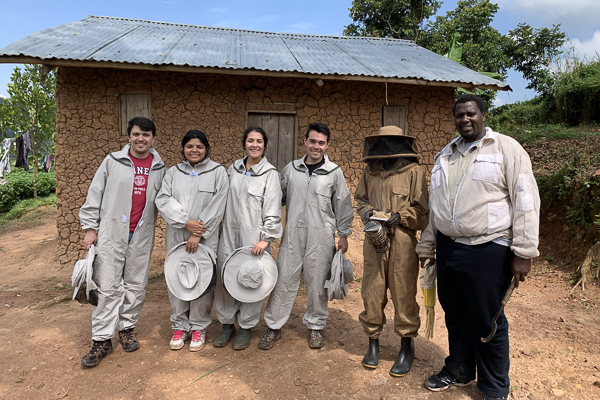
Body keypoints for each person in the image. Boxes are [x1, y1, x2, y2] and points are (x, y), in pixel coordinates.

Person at [416, 94, 540, 400]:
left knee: (487, 319)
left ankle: (494, 388)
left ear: (483, 115)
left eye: (471, 113)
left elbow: (525, 200)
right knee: (455, 314)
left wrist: (524, 251)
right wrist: (428, 245)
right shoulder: (445, 154)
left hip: (489, 247)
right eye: (459, 115)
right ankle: (459, 370)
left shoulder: (506, 149)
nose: (465, 120)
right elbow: (437, 206)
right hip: (448, 247)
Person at [79, 117, 166, 368]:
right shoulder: (113, 162)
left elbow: (168, 199)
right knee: (107, 285)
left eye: (146, 135)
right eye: (137, 134)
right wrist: (90, 228)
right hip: (112, 232)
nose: (141, 139)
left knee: (136, 283)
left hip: (141, 234)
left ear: (153, 138)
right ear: (129, 136)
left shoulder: (160, 168)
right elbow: (95, 193)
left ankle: (126, 328)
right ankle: (101, 339)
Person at [259, 122, 354, 350]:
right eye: (312, 141)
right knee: (283, 280)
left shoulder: (334, 173)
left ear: (327, 145)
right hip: (292, 236)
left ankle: (315, 327)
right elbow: (276, 198)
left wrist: (343, 234)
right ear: (305, 142)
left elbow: (343, 204)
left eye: (321, 143)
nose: (316, 146)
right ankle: (274, 326)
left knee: (317, 284)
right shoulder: (291, 169)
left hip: (321, 237)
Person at [355, 126, 429, 377]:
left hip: (403, 243)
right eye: (383, 142)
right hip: (373, 239)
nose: (387, 147)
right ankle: (373, 343)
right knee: (372, 291)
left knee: (404, 292)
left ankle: (407, 346)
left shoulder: (414, 172)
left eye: (391, 142)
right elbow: (361, 201)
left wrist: (401, 216)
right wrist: (367, 213)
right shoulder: (370, 171)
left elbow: (423, 213)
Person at [155, 130, 228, 352]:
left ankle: (198, 326)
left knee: (202, 280)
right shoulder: (172, 173)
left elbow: (218, 204)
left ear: (206, 149)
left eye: (199, 146)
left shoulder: (218, 172)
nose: (194, 150)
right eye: (189, 146)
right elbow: (163, 199)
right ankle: (180, 325)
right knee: (177, 277)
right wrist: (185, 222)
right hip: (177, 234)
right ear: (183, 149)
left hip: (206, 237)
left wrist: (198, 232)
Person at [213, 126, 283, 350]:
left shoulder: (270, 174)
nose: (255, 145)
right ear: (244, 143)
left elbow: (273, 207)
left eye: (259, 141)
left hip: (254, 237)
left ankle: (246, 326)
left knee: (252, 279)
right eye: (251, 140)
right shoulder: (232, 168)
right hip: (229, 234)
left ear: (265, 145)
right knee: (226, 277)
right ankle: (227, 324)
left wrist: (266, 239)